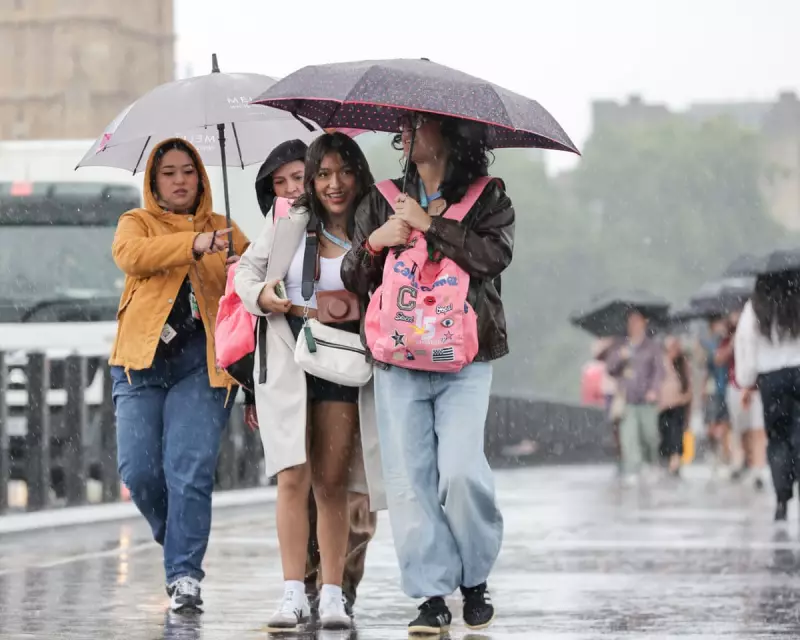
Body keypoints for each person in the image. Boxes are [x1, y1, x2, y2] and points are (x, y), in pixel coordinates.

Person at [342, 112, 513, 635]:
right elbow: (353, 273)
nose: (405, 133)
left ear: (448, 132)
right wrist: (378, 240)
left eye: (417, 125)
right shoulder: (381, 197)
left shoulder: (490, 196)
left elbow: (494, 256)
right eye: (405, 126)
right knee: (409, 482)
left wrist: (428, 224)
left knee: (460, 471)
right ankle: (432, 594)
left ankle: (474, 576)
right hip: (397, 357)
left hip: (464, 356)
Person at [235, 132, 381, 632]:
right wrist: (266, 296)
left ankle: (334, 594)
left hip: (342, 363)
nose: (333, 184)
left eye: (343, 172)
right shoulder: (292, 222)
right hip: (288, 358)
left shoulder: (374, 227)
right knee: (292, 477)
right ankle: (293, 593)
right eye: (322, 174)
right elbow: (246, 276)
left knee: (332, 481)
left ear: (358, 174)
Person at [109, 138, 249, 612]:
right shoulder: (137, 223)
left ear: (201, 176)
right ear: (154, 181)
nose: (180, 180)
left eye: (188, 170)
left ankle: (185, 574)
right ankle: (178, 540)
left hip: (201, 366)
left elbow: (258, 283)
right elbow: (132, 257)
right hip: (140, 362)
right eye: (168, 172)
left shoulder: (226, 229)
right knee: (140, 471)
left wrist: (240, 269)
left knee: (189, 471)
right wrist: (193, 243)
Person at [735, 270, 800, 521]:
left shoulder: (756, 307)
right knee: (797, 431)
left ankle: (782, 498)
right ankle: (797, 464)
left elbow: (745, 343)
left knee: (777, 438)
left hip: (771, 378)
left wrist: (746, 382)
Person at [605, 310, 664, 486]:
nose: (635, 325)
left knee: (649, 436)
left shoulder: (652, 347)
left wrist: (654, 389)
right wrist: (619, 357)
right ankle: (633, 468)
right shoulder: (621, 345)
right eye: (631, 322)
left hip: (646, 400)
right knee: (628, 436)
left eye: (638, 322)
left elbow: (659, 371)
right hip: (627, 399)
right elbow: (610, 368)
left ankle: (651, 462)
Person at [717, 309, 768, 490]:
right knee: (741, 429)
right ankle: (744, 461)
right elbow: (718, 359)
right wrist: (733, 343)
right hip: (736, 386)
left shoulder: (759, 333)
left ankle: (758, 468)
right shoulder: (729, 337)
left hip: (757, 388)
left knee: (758, 429)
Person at [658, 334, 692, 477]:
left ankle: (675, 460)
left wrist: (686, 398)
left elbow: (689, 384)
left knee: (676, 433)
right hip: (663, 406)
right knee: (666, 433)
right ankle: (669, 459)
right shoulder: (662, 362)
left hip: (678, 404)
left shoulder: (683, 364)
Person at [703, 316, 733, 475]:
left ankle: (724, 455)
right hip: (716, 388)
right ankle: (716, 455)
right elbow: (714, 361)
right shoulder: (710, 342)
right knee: (714, 424)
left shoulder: (723, 340)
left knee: (725, 423)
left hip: (724, 387)